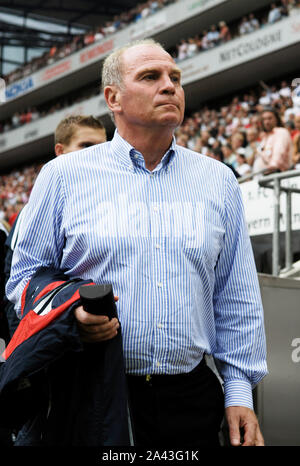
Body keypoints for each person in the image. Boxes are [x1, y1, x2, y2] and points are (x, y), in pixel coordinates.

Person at [6, 39, 267, 447]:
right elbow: (21, 282)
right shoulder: (63, 176)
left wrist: (239, 393)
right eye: (151, 77)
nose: (170, 86)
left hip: (192, 399)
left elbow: (236, 297)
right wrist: (69, 319)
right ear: (113, 98)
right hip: (90, 391)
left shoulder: (218, 180)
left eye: (175, 78)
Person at [3, 115, 107, 339]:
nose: (95, 154)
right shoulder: (35, 210)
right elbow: (20, 283)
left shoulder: (105, 201)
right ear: (60, 151)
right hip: (56, 339)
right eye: (86, 146)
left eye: (102, 147)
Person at [253, 107, 293, 175]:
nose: (266, 122)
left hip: (279, 176)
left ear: (276, 119)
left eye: (270, 118)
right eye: (264, 119)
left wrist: (271, 167)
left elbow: (278, 155)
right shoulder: (265, 137)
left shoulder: (281, 132)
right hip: (266, 177)